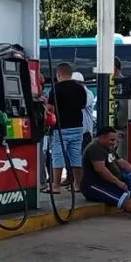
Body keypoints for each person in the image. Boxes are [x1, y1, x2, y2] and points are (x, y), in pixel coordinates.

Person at [42, 63, 87, 194]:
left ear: (59, 74)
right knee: (75, 155)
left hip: (60, 128)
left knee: (58, 155)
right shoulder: (80, 89)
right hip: (78, 127)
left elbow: (50, 109)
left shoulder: (56, 89)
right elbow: (82, 106)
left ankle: (56, 186)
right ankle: (77, 185)